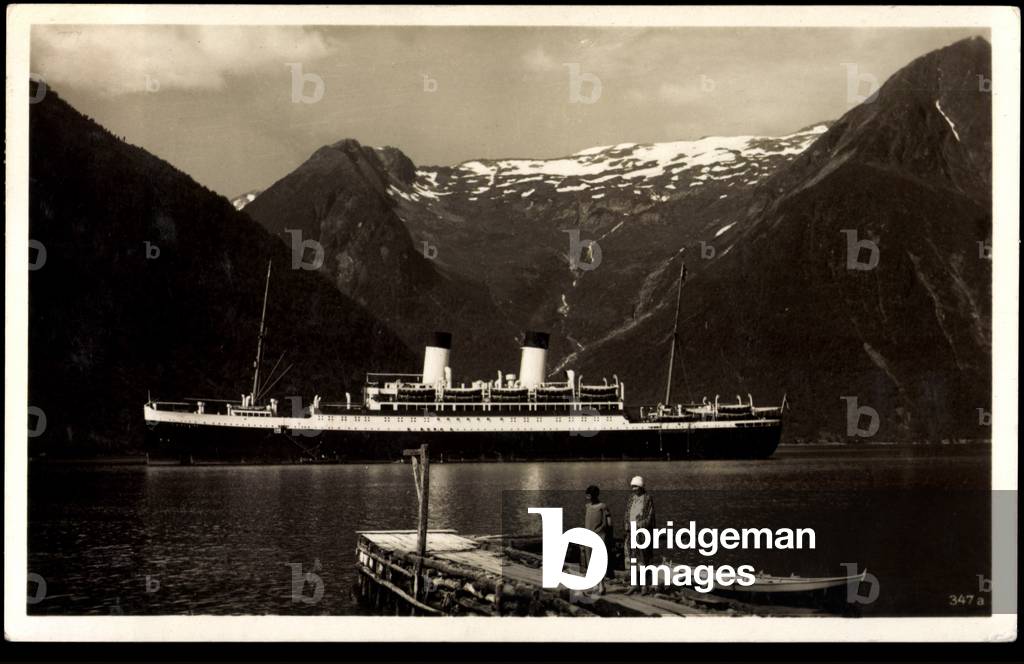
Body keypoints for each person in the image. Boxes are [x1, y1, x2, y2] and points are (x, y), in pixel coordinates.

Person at [624, 475, 656, 595]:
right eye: (632, 486)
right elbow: (627, 513)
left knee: (643, 559)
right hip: (631, 532)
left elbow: (650, 517)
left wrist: (639, 525)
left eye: (636, 486)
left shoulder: (647, 498)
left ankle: (644, 586)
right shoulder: (631, 498)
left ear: (641, 486)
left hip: (643, 533)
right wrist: (626, 525)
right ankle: (634, 584)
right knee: (632, 559)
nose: (634, 489)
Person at [580, 485, 611, 596]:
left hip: (599, 536)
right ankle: (595, 585)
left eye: (589, 495)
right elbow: (586, 522)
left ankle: (601, 586)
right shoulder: (587, 506)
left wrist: (603, 533)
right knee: (590, 561)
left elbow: (608, 523)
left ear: (594, 495)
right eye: (587, 495)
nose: (588, 497)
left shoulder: (602, 507)